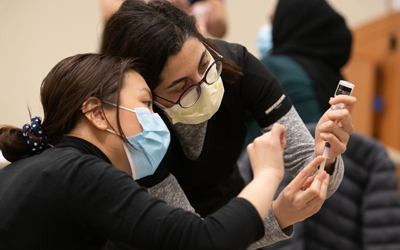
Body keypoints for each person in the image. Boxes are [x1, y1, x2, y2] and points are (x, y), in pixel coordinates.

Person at [0, 53, 324, 249]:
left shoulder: (41, 170)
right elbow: (204, 242)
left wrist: (280, 214)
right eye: (145, 104)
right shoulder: (81, 173)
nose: (158, 120)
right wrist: (267, 174)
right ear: (97, 113)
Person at [101, 0, 356, 243]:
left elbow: (316, 178)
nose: (204, 86)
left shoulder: (238, 65)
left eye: (204, 65)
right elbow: (194, 241)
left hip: (230, 207)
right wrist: (278, 212)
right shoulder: (138, 125)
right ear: (147, 93)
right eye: (182, 87)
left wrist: (327, 158)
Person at [260, 0, 352, 123]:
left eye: (273, 19)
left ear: (290, 21)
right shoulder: (334, 77)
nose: (270, 27)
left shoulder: (274, 67)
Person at [99, 0, 227, 38]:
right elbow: (112, 17)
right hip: (134, 52)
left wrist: (204, 11)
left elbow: (221, 29)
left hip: (182, 52)